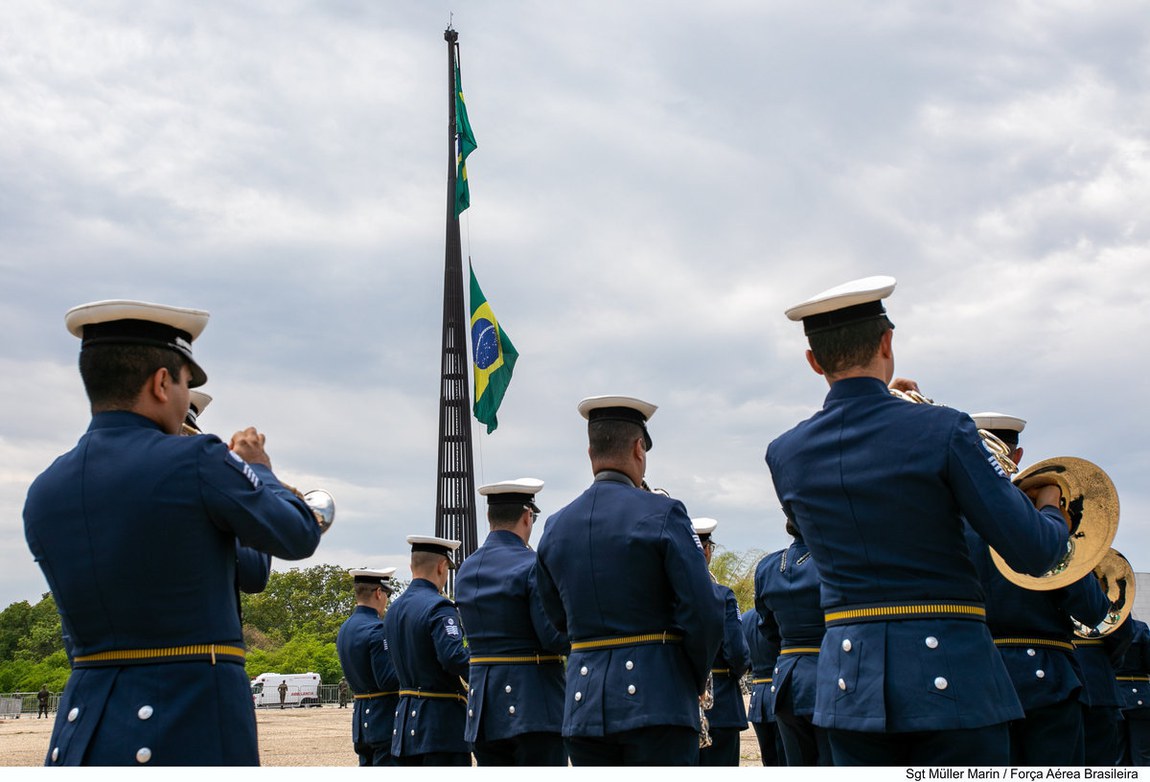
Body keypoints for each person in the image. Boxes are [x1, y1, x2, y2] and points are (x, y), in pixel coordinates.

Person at [766, 277, 1072, 765]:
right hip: (955, 681)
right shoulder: (947, 428)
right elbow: (1037, 553)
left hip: (849, 686)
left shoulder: (785, 454)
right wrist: (1052, 502)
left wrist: (883, 401)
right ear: (888, 343)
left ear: (814, 362)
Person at [23, 299, 323, 766]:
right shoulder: (198, 460)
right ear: (162, 383)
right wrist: (258, 470)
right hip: (187, 722)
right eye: (186, 383)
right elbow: (298, 534)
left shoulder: (44, 490)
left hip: (81, 735)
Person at [534, 395, 724, 766]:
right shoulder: (664, 513)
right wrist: (693, 677)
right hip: (658, 700)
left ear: (590, 451)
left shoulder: (555, 526)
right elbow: (704, 611)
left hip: (583, 706)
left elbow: (554, 619)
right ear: (639, 449)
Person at [962, 411, 1111, 766]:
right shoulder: (1043, 529)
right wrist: (1053, 514)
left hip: (969, 677)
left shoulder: (949, 522)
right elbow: (1092, 610)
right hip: (1048, 681)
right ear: (1017, 457)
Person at [454, 478, 569, 766]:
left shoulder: (466, 569)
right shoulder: (530, 565)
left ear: (490, 518)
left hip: (483, 709)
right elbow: (551, 635)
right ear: (528, 516)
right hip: (534, 706)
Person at [385, 535, 471, 766]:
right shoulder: (439, 607)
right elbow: (453, 658)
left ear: (412, 566)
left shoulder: (393, 610)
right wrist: (482, 672)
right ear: (442, 566)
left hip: (404, 725)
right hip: (440, 726)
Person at [754, 519, 830, 765]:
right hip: (827, 672)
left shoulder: (767, 566)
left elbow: (768, 629)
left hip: (786, 679)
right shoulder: (829, 560)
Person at [692, 517, 750, 767]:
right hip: (720, 702)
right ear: (706, 550)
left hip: (679, 705)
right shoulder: (722, 595)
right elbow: (736, 651)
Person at [335, 567, 400, 766]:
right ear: (379, 593)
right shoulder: (377, 629)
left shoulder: (345, 628)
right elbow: (387, 680)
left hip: (362, 717)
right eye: (386, 594)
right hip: (383, 718)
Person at [742, 607, 784, 765]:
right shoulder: (779, 612)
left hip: (758, 696)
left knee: (770, 761)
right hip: (781, 690)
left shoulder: (744, 619)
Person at [1117, 618, 1150, 765]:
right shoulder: (1139, 628)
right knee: (1143, 756)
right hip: (1140, 697)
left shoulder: (1094, 629)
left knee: (1118, 757)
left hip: (1113, 697)